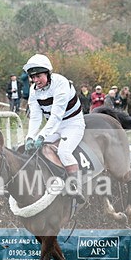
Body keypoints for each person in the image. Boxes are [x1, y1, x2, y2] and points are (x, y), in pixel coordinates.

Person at [23, 53, 86, 203]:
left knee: (64, 151)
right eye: (33, 77)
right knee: (31, 149)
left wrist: (42, 136)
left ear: (48, 73)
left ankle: (75, 186)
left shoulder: (61, 83)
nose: (35, 80)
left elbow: (57, 115)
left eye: (39, 76)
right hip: (54, 126)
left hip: (72, 124)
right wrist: (30, 137)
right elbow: (36, 116)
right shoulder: (34, 89)